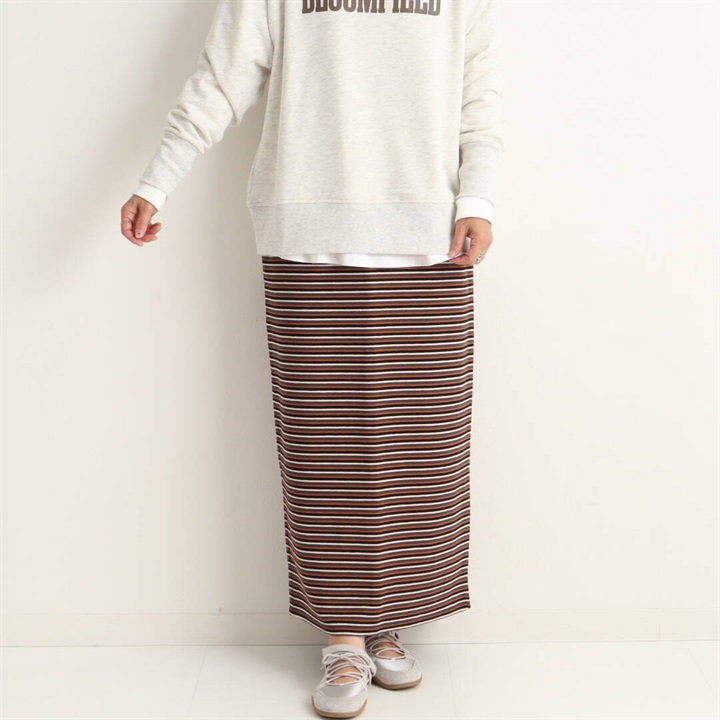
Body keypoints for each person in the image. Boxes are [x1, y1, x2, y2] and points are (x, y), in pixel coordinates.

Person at [120, 1, 504, 717]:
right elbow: (221, 79)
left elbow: (477, 99)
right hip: (307, 233)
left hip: (431, 237)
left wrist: (478, 198)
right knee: (326, 450)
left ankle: (387, 620)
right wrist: (155, 180)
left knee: (421, 447)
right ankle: (345, 636)